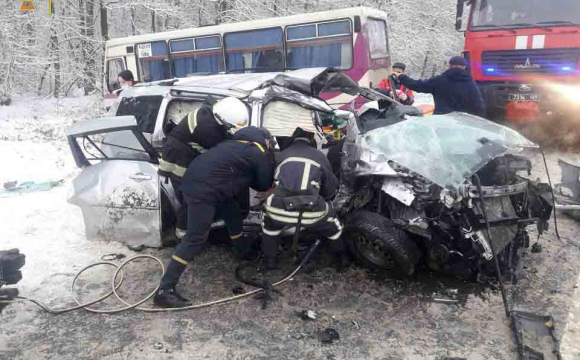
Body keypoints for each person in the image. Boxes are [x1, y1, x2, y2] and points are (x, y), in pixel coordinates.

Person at [154, 126, 275, 308]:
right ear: (265, 139)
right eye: (270, 143)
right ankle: (164, 290)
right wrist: (269, 185)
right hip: (204, 192)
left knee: (232, 211)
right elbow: (264, 183)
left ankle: (242, 251)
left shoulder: (231, 144)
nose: (270, 147)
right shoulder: (258, 150)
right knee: (195, 238)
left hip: (198, 184)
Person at [158, 97, 248, 240]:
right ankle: (182, 233)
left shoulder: (213, 108)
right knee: (190, 195)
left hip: (187, 152)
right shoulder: (208, 130)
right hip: (180, 160)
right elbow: (222, 150)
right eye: (229, 126)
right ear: (222, 120)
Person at [261, 127, 347, 271]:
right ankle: (341, 258)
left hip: (278, 210)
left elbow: (269, 183)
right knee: (334, 225)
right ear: (312, 139)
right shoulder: (320, 156)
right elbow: (330, 190)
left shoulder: (281, 155)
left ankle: (270, 260)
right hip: (312, 212)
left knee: (268, 224)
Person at [395, 56, 485, 117]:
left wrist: (401, 76)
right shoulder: (470, 82)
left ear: (449, 66)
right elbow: (479, 105)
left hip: (442, 122)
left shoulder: (439, 80)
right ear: (464, 67)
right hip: (463, 123)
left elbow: (417, 85)